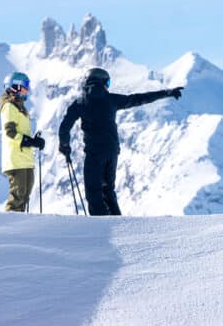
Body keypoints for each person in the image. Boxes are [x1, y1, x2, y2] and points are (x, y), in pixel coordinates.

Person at [58, 67, 183, 216]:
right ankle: (118, 224)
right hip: (112, 153)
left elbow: (65, 127)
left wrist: (65, 145)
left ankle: (100, 228)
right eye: (108, 82)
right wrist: (166, 93)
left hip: (94, 154)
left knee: (94, 193)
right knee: (108, 190)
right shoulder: (112, 99)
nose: (107, 86)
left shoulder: (80, 103)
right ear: (102, 82)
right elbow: (138, 99)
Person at [0, 72, 45, 212]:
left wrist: (33, 141)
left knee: (25, 196)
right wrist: (28, 141)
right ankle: (9, 229)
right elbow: (10, 132)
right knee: (18, 196)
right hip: (15, 159)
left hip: (25, 159)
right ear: (16, 87)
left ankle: (19, 228)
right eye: (25, 86)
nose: (28, 90)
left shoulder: (20, 107)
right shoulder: (9, 107)